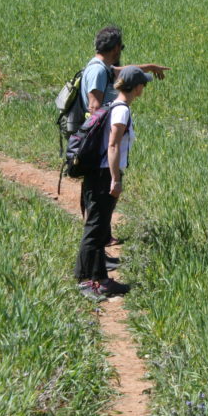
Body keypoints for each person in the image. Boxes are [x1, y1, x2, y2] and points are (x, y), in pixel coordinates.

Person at [75, 66, 152, 300]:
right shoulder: (122, 111)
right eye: (143, 84)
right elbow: (113, 145)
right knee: (96, 229)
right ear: (137, 87)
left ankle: (94, 277)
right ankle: (90, 281)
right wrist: (115, 179)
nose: (144, 88)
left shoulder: (112, 106)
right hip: (104, 174)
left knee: (97, 228)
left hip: (97, 173)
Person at [80, 24, 169, 114]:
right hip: (103, 127)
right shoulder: (98, 71)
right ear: (115, 48)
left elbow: (126, 71)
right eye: (121, 48)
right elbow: (94, 107)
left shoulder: (103, 67)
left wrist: (151, 67)